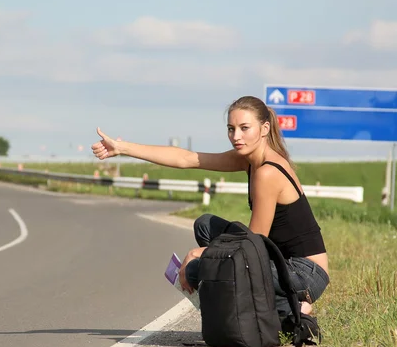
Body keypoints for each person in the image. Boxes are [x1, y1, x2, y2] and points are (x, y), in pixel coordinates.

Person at [91, 95, 330, 318]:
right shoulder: (248, 160)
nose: (236, 136)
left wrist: (201, 254)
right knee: (205, 225)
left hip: (303, 274)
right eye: (231, 129)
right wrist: (122, 149)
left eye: (244, 128)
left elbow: (254, 243)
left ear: (264, 129)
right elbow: (186, 159)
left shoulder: (268, 172)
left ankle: (289, 308)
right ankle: (266, 303)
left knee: (198, 269)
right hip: (280, 260)